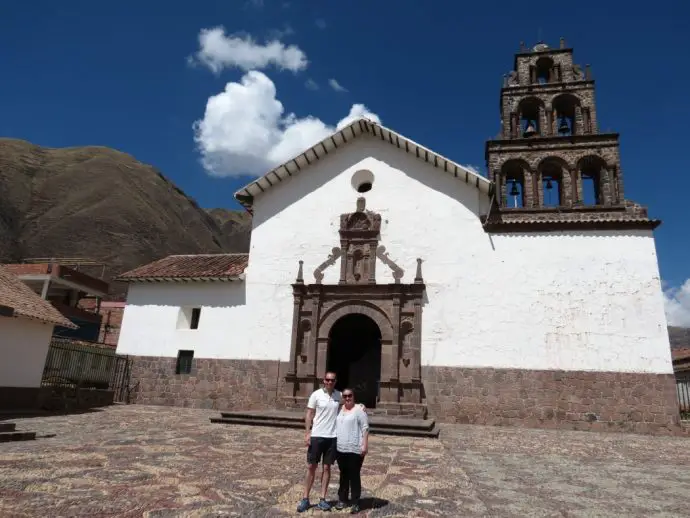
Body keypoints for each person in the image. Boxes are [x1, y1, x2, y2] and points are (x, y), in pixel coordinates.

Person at [297, 371, 341, 513]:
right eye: (327, 380)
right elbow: (309, 414)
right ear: (324, 380)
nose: (329, 382)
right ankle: (305, 498)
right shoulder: (316, 395)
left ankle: (322, 499)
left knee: (327, 468)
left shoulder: (338, 395)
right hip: (317, 436)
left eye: (332, 380)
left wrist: (361, 406)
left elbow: (348, 406)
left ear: (335, 381)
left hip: (332, 437)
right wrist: (307, 432)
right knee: (311, 467)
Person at [334, 388, 369, 514]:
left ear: (354, 396)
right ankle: (342, 499)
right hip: (340, 448)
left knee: (354, 475)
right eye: (345, 396)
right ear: (342, 397)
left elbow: (365, 428)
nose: (347, 398)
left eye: (350, 395)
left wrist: (364, 445)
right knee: (343, 474)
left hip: (355, 448)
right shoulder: (338, 409)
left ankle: (355, 501)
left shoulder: (359, 410)